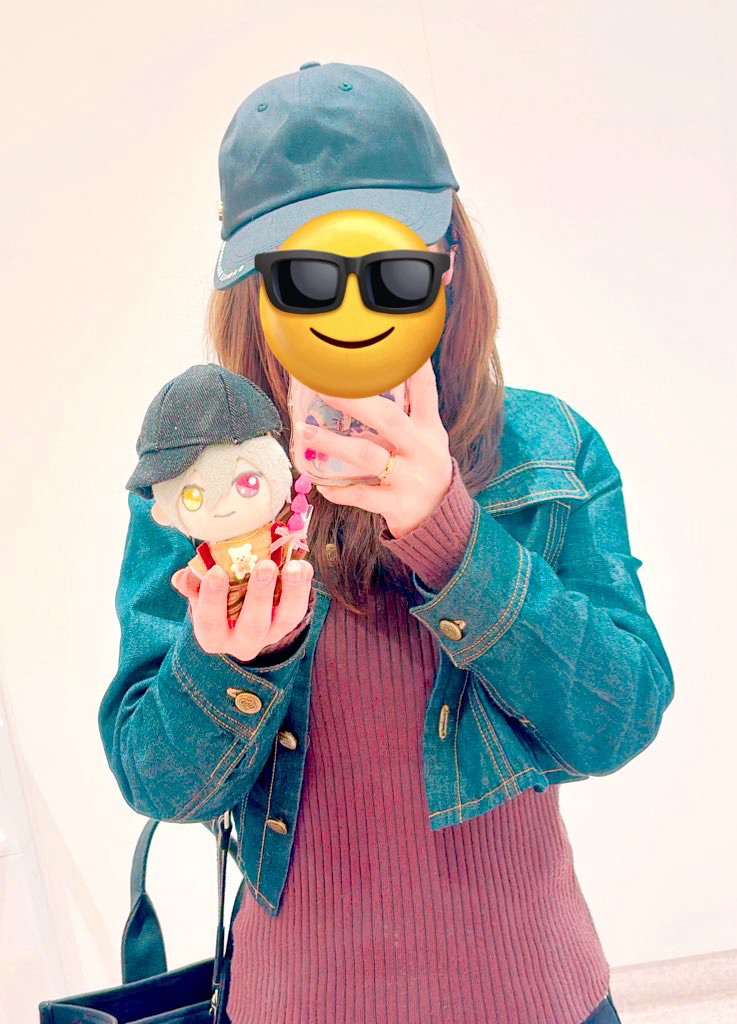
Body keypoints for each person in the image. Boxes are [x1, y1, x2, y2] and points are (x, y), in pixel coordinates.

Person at [99, 62, 674, 1024]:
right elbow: (161, 783)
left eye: (396, 273)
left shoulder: (545, 449)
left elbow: (617, 719)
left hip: (535, 997)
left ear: (447, 271)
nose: (352, 313)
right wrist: (234, 661)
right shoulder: (205, 485)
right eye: (306, 279)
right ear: (252, 289)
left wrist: (451, 533)